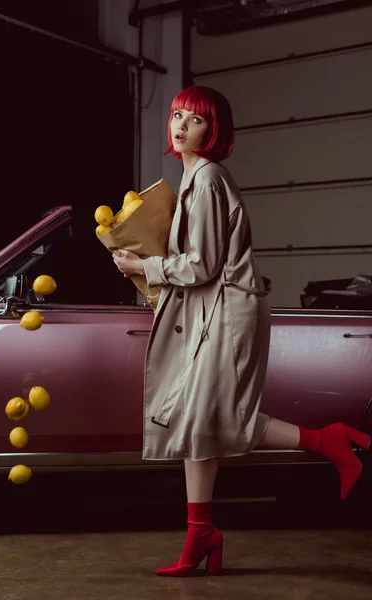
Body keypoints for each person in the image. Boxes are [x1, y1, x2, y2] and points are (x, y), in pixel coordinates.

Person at [112, 85, 370, 577]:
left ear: (216, 131)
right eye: (177, 115)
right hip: (214, 308)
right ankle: (202, 534)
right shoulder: (192, 179)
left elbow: (205, 264)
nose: (181, 125)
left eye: (197, 119)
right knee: (198, 425)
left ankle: (327, 442)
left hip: (225, 312)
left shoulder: (207, 179)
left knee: (216, 419)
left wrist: (146, 266)